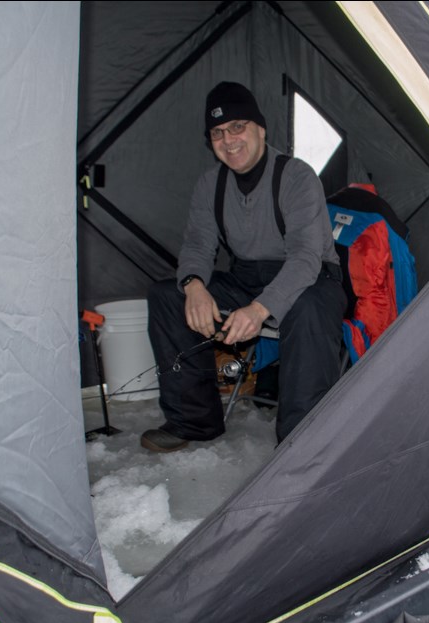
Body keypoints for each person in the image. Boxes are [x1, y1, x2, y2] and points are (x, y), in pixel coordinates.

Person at [142, 81, 346, 452]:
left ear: (260, 129)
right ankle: (193, 420)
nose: (229, 139)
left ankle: (301, 444)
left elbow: (305, 258)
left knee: (308, 309)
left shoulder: (297, 177)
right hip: (246, 278)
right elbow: (198, 244)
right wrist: (193, 286)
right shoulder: (209, 185)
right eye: (218, 133)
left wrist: (260, 308)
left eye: (238, 127)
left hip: (311, 281)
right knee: (166, 295)